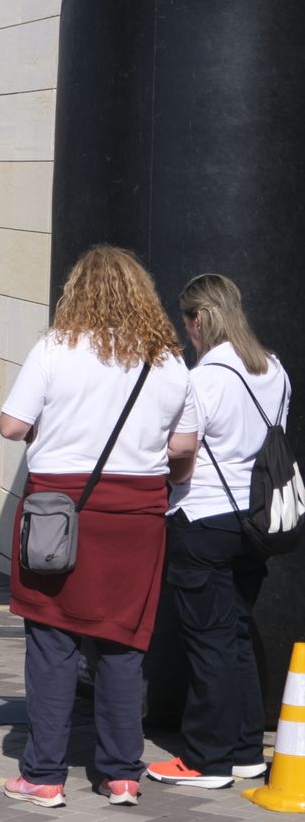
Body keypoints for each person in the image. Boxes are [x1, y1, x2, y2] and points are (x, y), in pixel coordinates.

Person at [0, 245, 197, 809]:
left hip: (58, 512)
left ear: (76, 292)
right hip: (137, 517)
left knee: (52, 638)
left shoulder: (56, 347)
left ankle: (43, 776)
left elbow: (13, 425)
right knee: (123, 643)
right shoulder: (166, 359)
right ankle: (121, 775)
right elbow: (183, 445)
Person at [146, 274, 288, 790]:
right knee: (234, 635)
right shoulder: (275, 370)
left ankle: (206, 759)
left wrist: (170, 474)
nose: (187, 334)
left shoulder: (204, 377)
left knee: (207, 641)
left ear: (200, 318)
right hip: (254, 523)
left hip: (203, 520)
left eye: (187, 322)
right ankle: (247, 749)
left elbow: (183, 451)